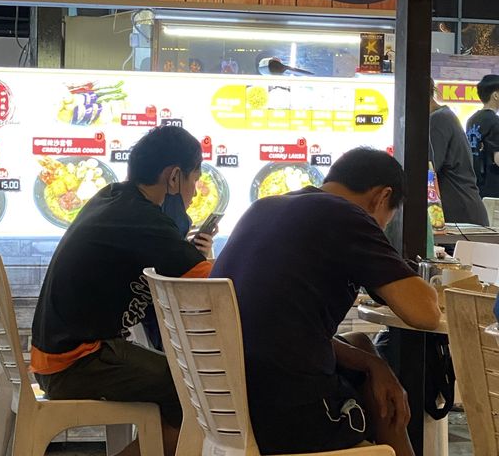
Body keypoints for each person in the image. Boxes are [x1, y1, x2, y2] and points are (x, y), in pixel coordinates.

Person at [211, 148, 441, 456]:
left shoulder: (264, 207)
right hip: (286, 411)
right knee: (379, 400)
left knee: (360, 344)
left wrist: (374, 364)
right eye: (387, 220)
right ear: (381, 197)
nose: (382, 228)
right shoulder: (345, 215)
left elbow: (272, 327)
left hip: (227, 398)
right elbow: (424, 312)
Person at [31, 126, 213, 456]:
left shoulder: (114, 196)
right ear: (173, 178)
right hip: (79, 362)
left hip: (60, 356)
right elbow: (213, 286)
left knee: (185, 384)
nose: (196, 193)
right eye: (194, 180)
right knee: (198, 389)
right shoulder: (142, 218)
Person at [429, 79, 488, 225]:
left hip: (460, 214)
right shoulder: (444, 116)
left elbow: (429, 170)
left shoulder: (438, 119)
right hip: (463, 210)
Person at [466, 74, 499, 198]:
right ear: (495, 95)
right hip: (494, 188)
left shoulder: (472, 119)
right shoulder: (495, 122)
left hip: (475, 186)